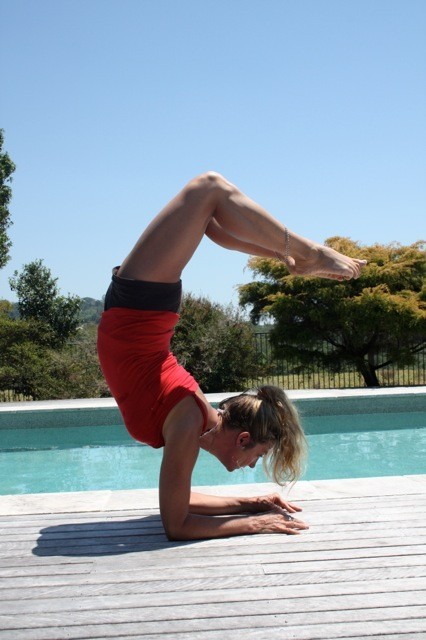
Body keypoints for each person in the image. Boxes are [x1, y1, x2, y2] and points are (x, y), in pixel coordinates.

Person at [97, 171, 366, 541]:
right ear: (242, 439)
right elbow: (176, 525)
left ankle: (291, 256)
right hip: (139, 308)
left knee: (210, 218)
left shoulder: (190, 423)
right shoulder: (188, 420)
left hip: (136, 308)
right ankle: (304, 254)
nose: (252, 464)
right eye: (258, 455)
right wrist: (257, 523)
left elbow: (176, 503)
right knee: (209, 188)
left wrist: (251, 503)